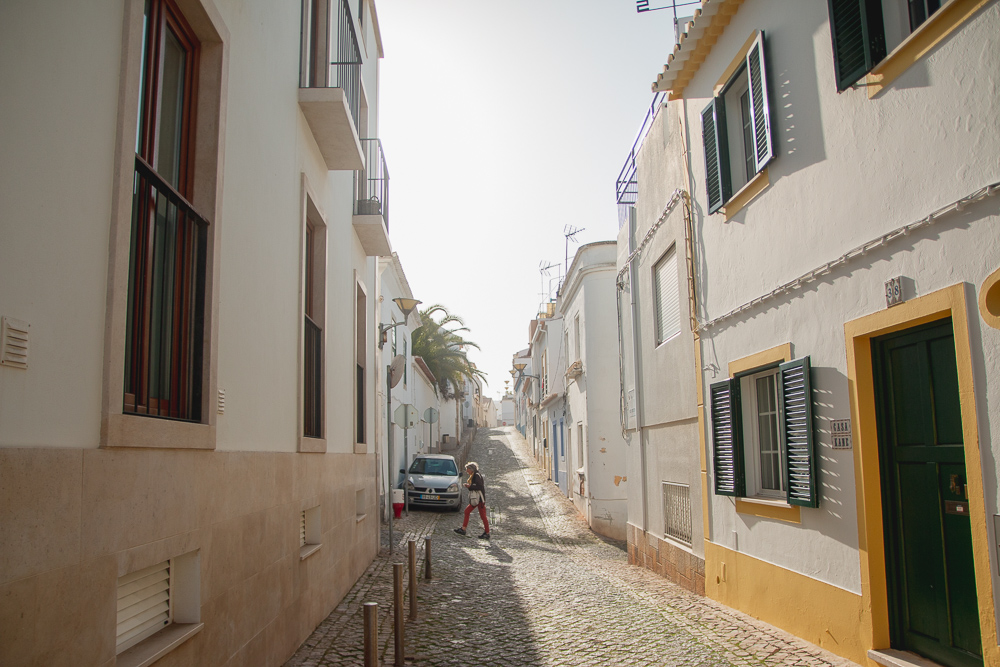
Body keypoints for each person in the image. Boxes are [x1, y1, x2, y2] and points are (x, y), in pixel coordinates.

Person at [454, 462, 490, 539]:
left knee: (483, 516)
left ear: (471, 469)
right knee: (467, 511)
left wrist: (469, 486)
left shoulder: (476, 475)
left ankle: (487, 533)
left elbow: (479, 486)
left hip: (479, 499)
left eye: (467, 470)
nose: (467, 471)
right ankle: (463, 529)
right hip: (476, 499)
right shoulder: (475, 475)